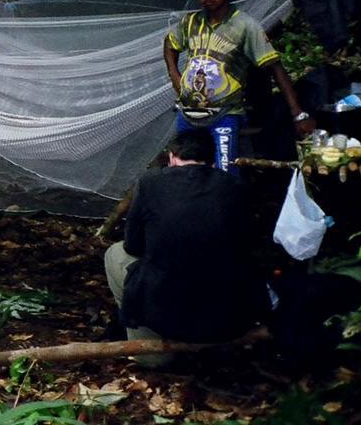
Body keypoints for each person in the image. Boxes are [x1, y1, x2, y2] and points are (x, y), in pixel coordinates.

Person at [104, 129, 266, 366]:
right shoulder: (235, 187)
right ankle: (217, 347)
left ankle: (148, 345)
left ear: (172, 157)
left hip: (163, 310)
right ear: (212, 162)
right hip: (227, 318)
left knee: (115, 253)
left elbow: (133, 245)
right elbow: (250, 244)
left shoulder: (150, 183)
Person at [164, 0, 315, 174]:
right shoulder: (190, 23)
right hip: (188, 114)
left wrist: (298, 114)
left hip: (224, 115)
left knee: (225, 173)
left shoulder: (245, 26)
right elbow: (170, 43)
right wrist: (174, 74)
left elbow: (274, 67)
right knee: (183, 169)